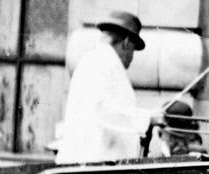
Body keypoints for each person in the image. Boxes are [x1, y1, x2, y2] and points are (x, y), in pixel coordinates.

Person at [55, 11, 159, 164]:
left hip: (98, 166)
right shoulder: (101, 63)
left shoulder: (100, 62)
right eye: (132, 50)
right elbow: (102, 111)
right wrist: (147, 118)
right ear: (126, 42)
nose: (131, 57)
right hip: (92, 167)